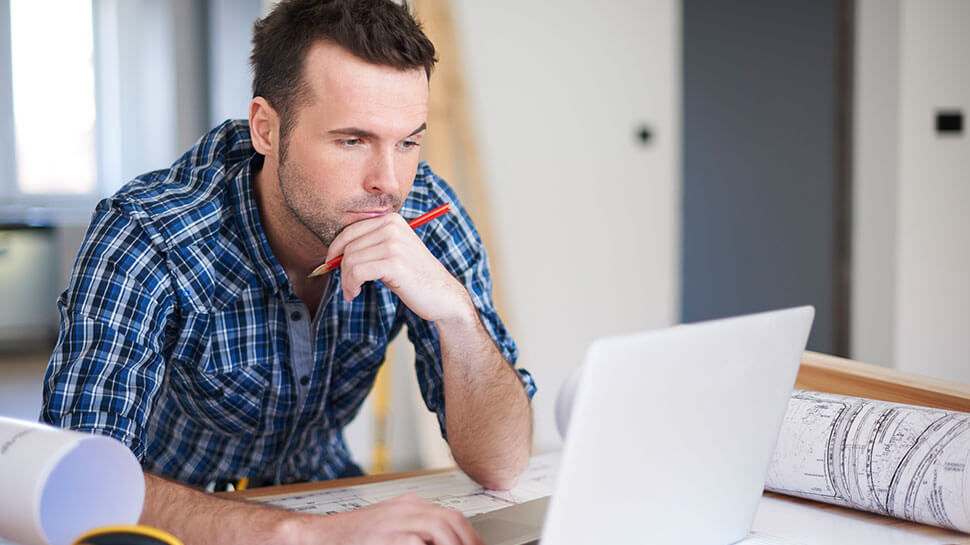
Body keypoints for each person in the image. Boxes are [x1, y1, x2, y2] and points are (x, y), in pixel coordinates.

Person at [41, 0, 535, 543]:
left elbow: (503, 466)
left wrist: (456, 316)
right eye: (352, 140)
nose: (388, 182)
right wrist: (299, 535)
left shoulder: (427, 217)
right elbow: (74, 479)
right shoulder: (149, 234)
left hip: (330, 500)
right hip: (167, 516)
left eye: (408, 142)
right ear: (266, 130)